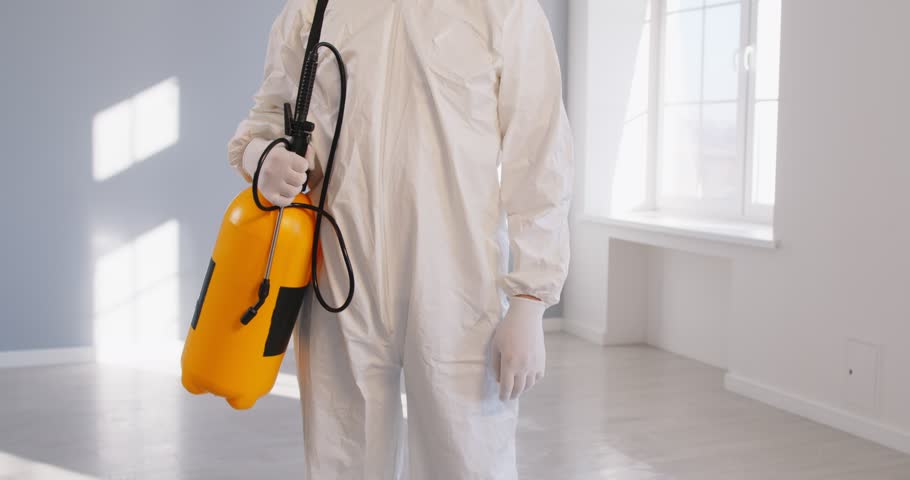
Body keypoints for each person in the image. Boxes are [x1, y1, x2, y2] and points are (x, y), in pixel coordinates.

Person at [227, 0, 573, 478]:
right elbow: (269, 114)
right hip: (341, 279)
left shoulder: (501, 8)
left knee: (467, 457)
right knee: (343, 457)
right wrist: (263, 161)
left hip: (457, 283)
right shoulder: (313, 9)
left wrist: (532, 297)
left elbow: (538, 153)